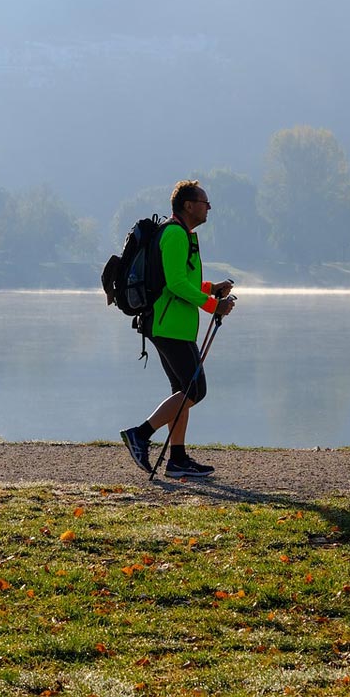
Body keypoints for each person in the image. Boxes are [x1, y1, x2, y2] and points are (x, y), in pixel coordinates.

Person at [120, 179, 234, 478]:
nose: (208, 207)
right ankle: (140, 435)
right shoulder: (174, 234)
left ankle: (178, 459)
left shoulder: (183, 234)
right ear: (188, 205)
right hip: (168, 325)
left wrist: (212, 289)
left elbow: (184, 280)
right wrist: (213, 306)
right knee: (195, 390)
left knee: (182, 391)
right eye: (204, 201)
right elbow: (176, 283)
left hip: (175, 325)